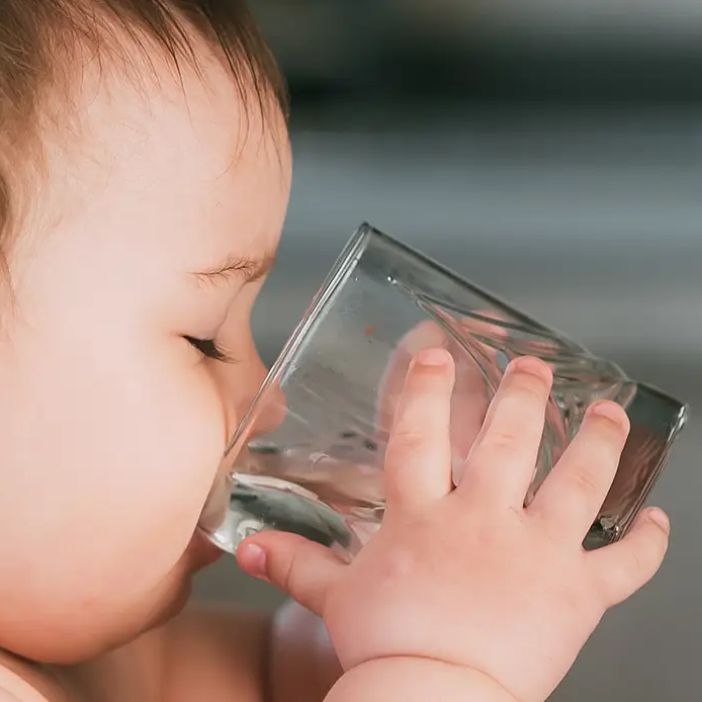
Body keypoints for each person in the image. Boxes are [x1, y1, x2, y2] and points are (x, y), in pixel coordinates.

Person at [0, 2, 670, 701]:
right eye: (202, 339)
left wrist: (397, 608)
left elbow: (267, 681)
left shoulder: (108, 663)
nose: (271, 400)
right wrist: (442, 671)